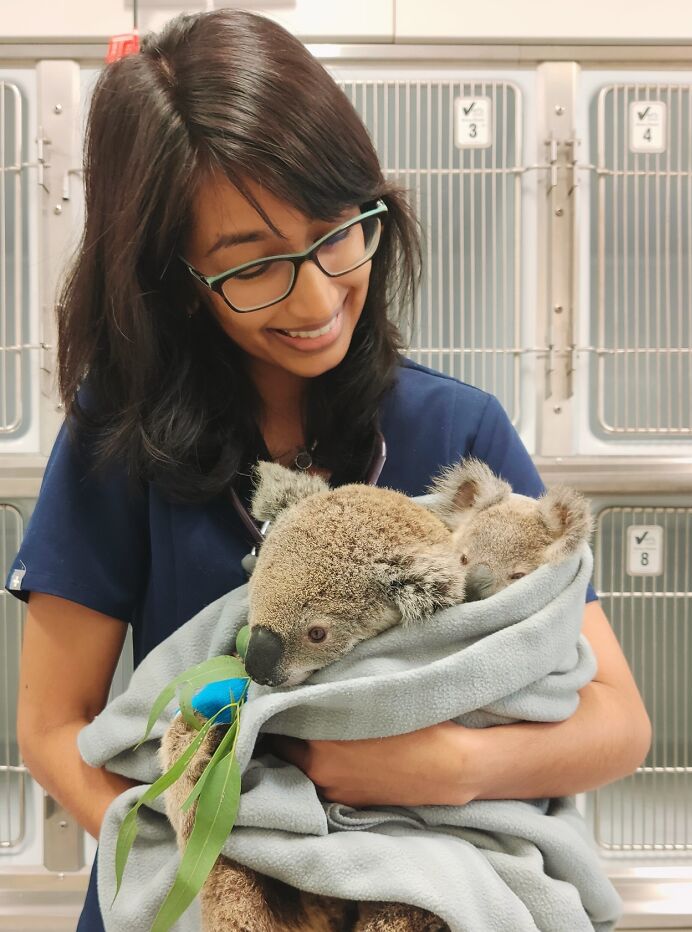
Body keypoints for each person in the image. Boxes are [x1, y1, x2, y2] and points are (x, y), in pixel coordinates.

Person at [6, 10, 652, 929]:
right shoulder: (121, 438)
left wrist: (449, 767)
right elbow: (52, 728)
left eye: (336, 233)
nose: (316, 299)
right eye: (253, 267)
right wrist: (192, 876)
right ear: (175, 281)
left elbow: (618, 722)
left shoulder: (459, 431)